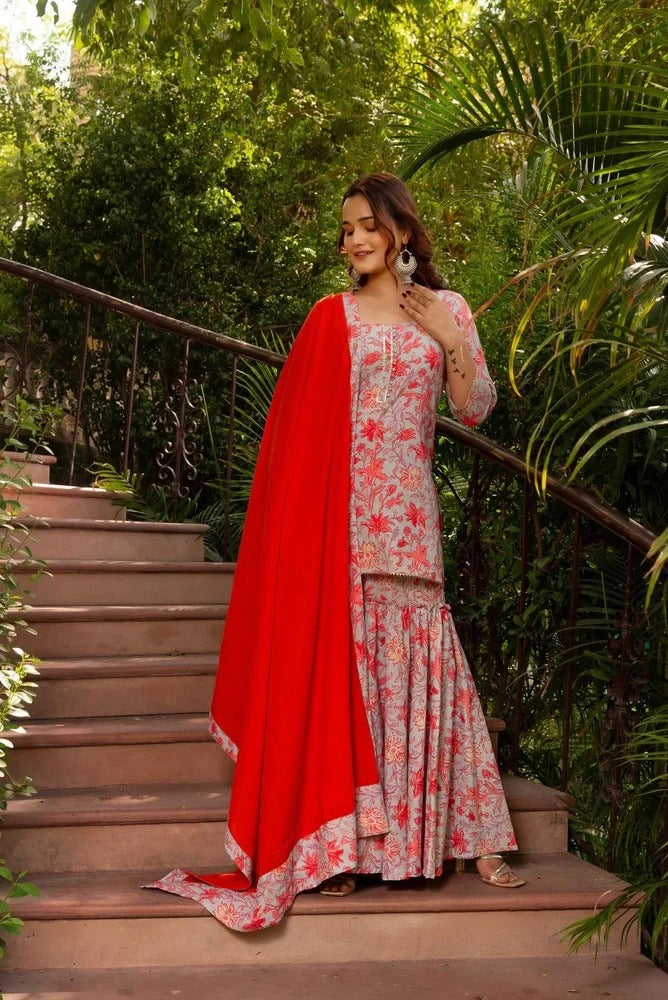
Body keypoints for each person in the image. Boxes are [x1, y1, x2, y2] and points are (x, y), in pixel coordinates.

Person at [146, 172, 524, 932]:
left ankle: (466, 835)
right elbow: (296, 433)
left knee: (423, 660)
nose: (353, 240)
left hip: (409, 516)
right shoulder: (331, 317)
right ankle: (339, 847)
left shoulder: (447, 309)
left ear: (401, 232)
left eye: (365, 226)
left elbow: (475, 407)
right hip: (339, 521)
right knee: (343, 679)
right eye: (346, 229)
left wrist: (452, 340)